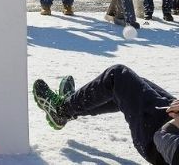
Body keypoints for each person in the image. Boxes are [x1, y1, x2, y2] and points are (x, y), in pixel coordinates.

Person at [33, 64, 179, 165]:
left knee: (117, 77)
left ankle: (61, 110)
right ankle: (72, 106)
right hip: (169, 127)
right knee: (130, 88)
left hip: (156, 141)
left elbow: (163, 139)